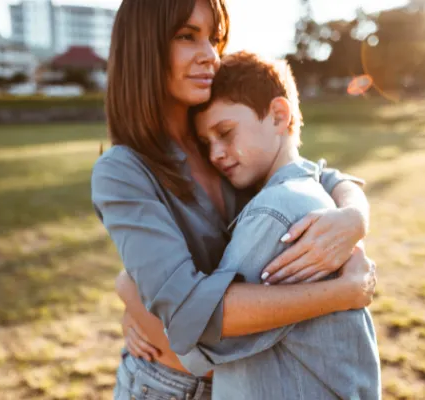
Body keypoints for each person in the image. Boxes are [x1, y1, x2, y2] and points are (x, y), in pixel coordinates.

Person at [91, 0, 377, 399]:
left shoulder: (223, 143)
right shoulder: (123, 170)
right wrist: (342, 294)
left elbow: (319, 174)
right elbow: (191, 311)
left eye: (214, 38)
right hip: (169, 387)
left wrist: (354, 215)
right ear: (145, 46)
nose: (209, 55)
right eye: (188, 36)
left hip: (250, 384)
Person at [173, 50, 380, 399]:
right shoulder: (309, 191)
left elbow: (202, 335)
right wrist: (356, 210)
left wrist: (129, 295)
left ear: (278, 115)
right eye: (207, 143)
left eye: (225, 132)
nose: (215, 154)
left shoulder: (275, 212)